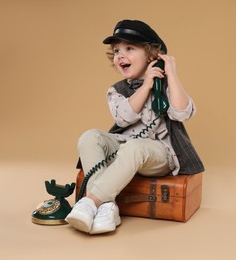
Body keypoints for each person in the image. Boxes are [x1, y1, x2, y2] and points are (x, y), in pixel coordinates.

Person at [65, 20, 204, 234]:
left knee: (135, 147)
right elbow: (124, 118)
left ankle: (90, 202)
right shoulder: (117, 90)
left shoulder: (166, 85)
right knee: (89, 137)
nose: (121, 55)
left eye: (129, 48)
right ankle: (107, 207)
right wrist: (146, 85)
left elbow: (182, 112)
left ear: (151, 55)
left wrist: (171, 74)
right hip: (125, 147)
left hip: (159, 153)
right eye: (117, 50)